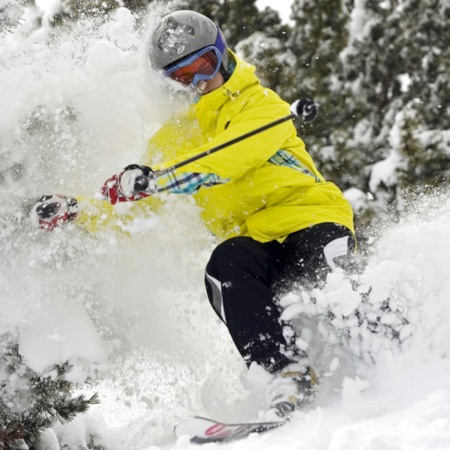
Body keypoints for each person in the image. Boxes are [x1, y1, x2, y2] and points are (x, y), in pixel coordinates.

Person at [31, 10, 355, 419]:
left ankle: (391, 335)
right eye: (184, 77)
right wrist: (80, 210)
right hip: (259, 241)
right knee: (225, 264)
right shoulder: (176, 139)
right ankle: (285, 370)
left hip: (312, 219)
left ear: (221, 53)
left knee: (323, 275)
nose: (200, 81)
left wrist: (158, 180)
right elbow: (138, 204)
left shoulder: (261, 106)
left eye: (203, 65)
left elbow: (225, 159)